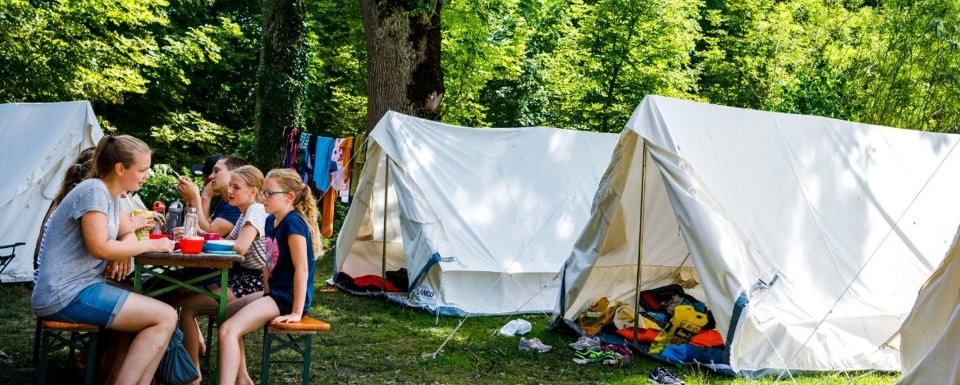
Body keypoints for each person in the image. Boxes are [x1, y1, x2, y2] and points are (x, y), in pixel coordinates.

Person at [32, 134, 177, 385]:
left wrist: (125, 247)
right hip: (64, 293)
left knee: (162, 313)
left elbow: (120, 236)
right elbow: (100, 247)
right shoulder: (93, 191)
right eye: (142, 170)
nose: (147, 175)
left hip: (82, 286)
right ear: (120, 168)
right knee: (165, 316)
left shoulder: (110, 195)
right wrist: (153, 244)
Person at [218, 168, 320, 385]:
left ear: (289, 197)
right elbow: (268, 263)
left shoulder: (293, 223)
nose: (263, 197)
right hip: (274, 294)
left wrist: (296, 312)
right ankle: (242, 379)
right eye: (263, 192)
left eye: (268, 193)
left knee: (228, 330)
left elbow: (302, 269)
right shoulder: (269, 221)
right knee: (225, 314)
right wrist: (265, 294)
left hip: (287, 298)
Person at [174, 165, 268, 384]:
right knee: (188, 302)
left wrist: (202, 240)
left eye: (236, 187)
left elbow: (240, 247)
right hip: (242, 279)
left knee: (187, 308)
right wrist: (199, 235)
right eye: (230, 186)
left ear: (253, 191)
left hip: (254, 283)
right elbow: (227, 241)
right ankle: (241, 378)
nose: (230, 191)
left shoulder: (255, 210)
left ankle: (192, 377)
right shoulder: (246, 211)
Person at [176, 155, 247, 237]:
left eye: (216, 171)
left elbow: (210, 233)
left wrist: (200, 197)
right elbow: (200, 227)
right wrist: (189, 200)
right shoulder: (225, 202)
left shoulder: (237, 204)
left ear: (234, 173)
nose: (210, 176)